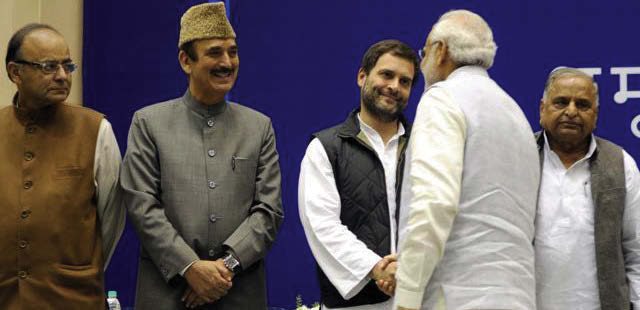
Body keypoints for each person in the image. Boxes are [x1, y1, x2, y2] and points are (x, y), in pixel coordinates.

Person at [120, 2, 283, 309]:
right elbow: (142, 207)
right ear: (186, 61)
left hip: (239, 293)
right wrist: (190, 268)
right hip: (168, 293)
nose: (227, 62)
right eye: (214, 53)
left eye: (232, 52)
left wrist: (225, 268)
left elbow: (269, 212)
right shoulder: (149, 123)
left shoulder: (259, 127)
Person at [390, 10, 540, 310]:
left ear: (440, 50)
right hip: (518, 296)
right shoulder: (515, 114)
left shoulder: (442, 98)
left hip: (456, 295)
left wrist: (406, 297)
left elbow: (434, 204)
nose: (422, 63)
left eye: (423, 52)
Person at [0, 23, 125, 309]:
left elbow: (112, 219)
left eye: (67, 66)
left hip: (72, 297)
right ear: (15, 72)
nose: (61, 76)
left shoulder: (96, 130)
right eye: (48, 66)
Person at [298, 39, 419, 309]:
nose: (394, 87)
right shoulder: (327, 148)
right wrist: (377, 268)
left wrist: (409, 270)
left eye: (405, 81)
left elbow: (440, 216)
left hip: (420, 298)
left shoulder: (425, 145)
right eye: (387, 75)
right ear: (362, 76)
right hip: (354, 302)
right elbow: (322, 225)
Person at [535, 67, 640, 309]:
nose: (571, 111)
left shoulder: (620, 163)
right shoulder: (519, 157)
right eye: (561, 102)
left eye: (582, 105)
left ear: (596, 114)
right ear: (542, 109)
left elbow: (636, 247)